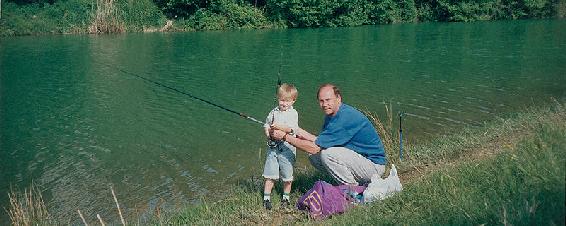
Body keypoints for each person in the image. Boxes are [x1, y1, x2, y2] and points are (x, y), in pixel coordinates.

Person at [271, 83, 386, 186]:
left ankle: (352, 190)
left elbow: (315, 147)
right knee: (315, 157)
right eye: (321, 101)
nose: (325, 104)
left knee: (327, 154)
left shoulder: (346, 117)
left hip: (374, 166)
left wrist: (285, 137)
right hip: (359, 161)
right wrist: (293, 130)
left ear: (338, 98)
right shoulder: (332, 115)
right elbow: (320, 141)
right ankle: (351, 182)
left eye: (328, 100)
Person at [262, 83, 299, 210]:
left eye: (287, 101)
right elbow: (266, 124)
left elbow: (292, 129)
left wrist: (278, 127)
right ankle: (266, 199)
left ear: (293, 101)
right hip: (273, 149)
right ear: (278, 98)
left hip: (287, 150)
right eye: (281, 100)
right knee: (269, 175)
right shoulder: (273, 112)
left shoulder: (293, 113)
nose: (283, 103)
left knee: (287, 177)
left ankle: (286, 198)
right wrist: (268, 132)